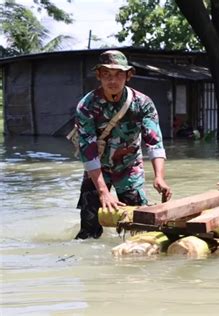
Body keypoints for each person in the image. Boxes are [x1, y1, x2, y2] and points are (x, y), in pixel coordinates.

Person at [74, 50, 172, 239]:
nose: (113, 81)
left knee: (139, 227)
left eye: (119, 74)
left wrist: (159, 177)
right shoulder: (86, 106)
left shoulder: (143, 104)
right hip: (97, 169)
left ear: (129, 75)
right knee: (88, 230)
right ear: (98, 76)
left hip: (129, 167)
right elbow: (88, 151)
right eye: (107, 75)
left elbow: (154, 142)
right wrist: (102, 191)